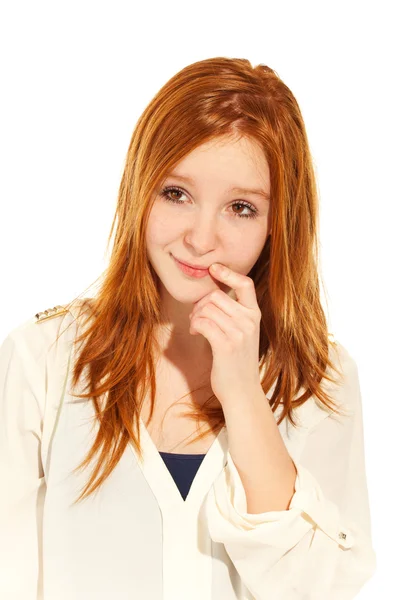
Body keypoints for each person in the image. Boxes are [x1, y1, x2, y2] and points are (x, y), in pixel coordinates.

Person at [0, 57, 376, 599]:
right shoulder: (45, 361)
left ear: (278, 225)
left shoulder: (320, 380)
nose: (202, 238)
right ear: (140, 188)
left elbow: (317, 588)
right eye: (176, 194)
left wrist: (244, 395)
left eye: (241, 208)